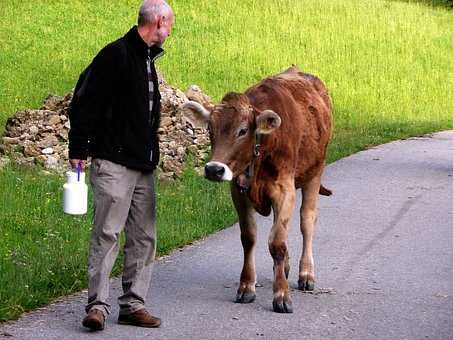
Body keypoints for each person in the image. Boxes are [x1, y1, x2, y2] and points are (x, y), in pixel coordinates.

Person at [68, 0, 174, 331]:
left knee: (143, 237)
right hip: (113, 162)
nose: (170, 31)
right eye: (169, 25)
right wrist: (78, 148)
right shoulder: (115, 55)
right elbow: (84, 101)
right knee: (107, 233)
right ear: (158, 22)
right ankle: (97, 306)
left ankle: (133, 305)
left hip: (143, 166)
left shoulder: (147, 60)